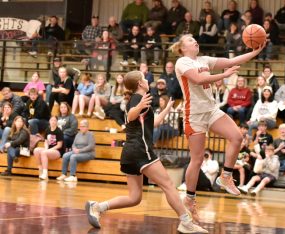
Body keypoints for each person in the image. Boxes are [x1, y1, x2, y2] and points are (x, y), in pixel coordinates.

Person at [85, 71, 208, 233]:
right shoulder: (137, 99)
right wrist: (138, 107)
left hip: (130, 151)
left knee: (134, 198)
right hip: (140, 149)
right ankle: (186, 222)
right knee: (168, 185)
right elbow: (130, 116)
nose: (147, 80)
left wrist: (168, 109)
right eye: (144, 78)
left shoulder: (141, 100)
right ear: (140, 84)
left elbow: (153, 123)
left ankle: (98, 207)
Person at [170, 34, 264, 222]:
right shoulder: (182, 62)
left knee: (237, 137)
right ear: (182, 48)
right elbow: (198, 79)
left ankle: (225, 176)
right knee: (196, 159)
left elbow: (232, 60)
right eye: (190, 40)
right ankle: (189, 198)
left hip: (211, 110)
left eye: (194, 39)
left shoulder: (205, 59)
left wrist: (256, 51)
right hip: (194, 114)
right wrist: (225, 75)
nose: (194, 41)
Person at [33, 116, 65, 180]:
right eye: (51, 120)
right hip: (49, 150)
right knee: (36, 150)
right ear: (49, 121)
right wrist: (46, 148)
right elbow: (46, 142)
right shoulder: (47, 130)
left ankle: (45, 174)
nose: (53, 122)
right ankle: (40, 170)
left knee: (44, 153)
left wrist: (49, 150)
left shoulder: (59, 131)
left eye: (54, 120)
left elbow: (59, 145)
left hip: (57, 151)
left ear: (56, 122)